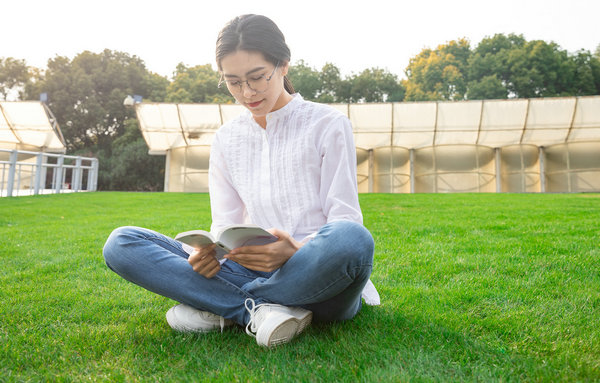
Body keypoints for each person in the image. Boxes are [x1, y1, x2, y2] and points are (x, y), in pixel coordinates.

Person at [102, 14, 379, 348]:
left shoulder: (328, 124)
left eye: (257, 77)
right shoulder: (226, 139)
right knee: (122, 244)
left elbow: (345, 218)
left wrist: (294, 251)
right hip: (248, 268)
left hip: (317, 271)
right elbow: (224, 226)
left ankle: (221, 307)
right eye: (233, 82)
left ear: (284, 65)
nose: (247, 92)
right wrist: (207, 253)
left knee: (352, 239)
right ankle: (256, 311)